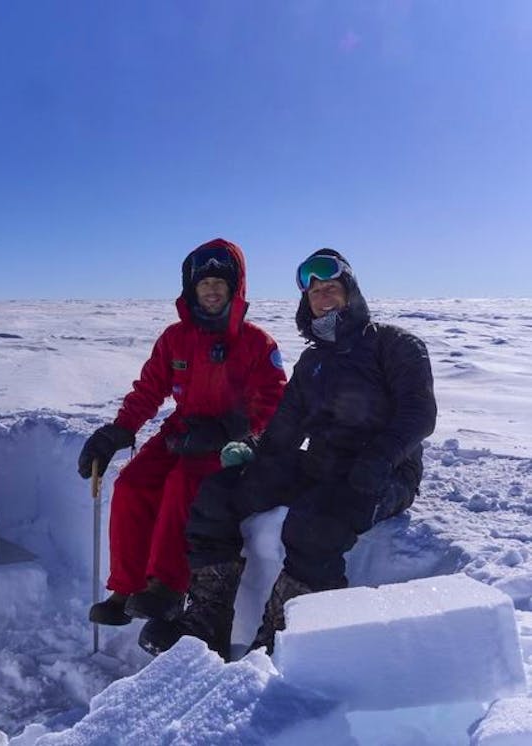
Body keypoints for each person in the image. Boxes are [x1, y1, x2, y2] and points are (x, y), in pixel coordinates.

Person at [164, 248, 437, 661]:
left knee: (313, 526)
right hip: (323, 463)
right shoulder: (312, 363)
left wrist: (378, 459)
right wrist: (251, 450)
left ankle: (282, 639)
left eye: (332, 288)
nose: (324, 297)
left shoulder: (394, 345)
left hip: (387, 471)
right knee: (219, 493)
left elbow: (420, 415)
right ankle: (206, 618)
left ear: (351, 292)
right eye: (315, 293)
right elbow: (285, 430)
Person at [77, 238, 286, 645]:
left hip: (229, 440)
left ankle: (168, 589)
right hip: (182, 429)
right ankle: (126, 588)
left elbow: (272, 402)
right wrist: (117, 431)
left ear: (235, 288)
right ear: (191, 289)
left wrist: (227, 430)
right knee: (133, 482)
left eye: (219, 283)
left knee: (183, 485)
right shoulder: (174, 338)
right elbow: (148, 390)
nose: (210, 290)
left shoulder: (257, 342)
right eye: (203, 283)